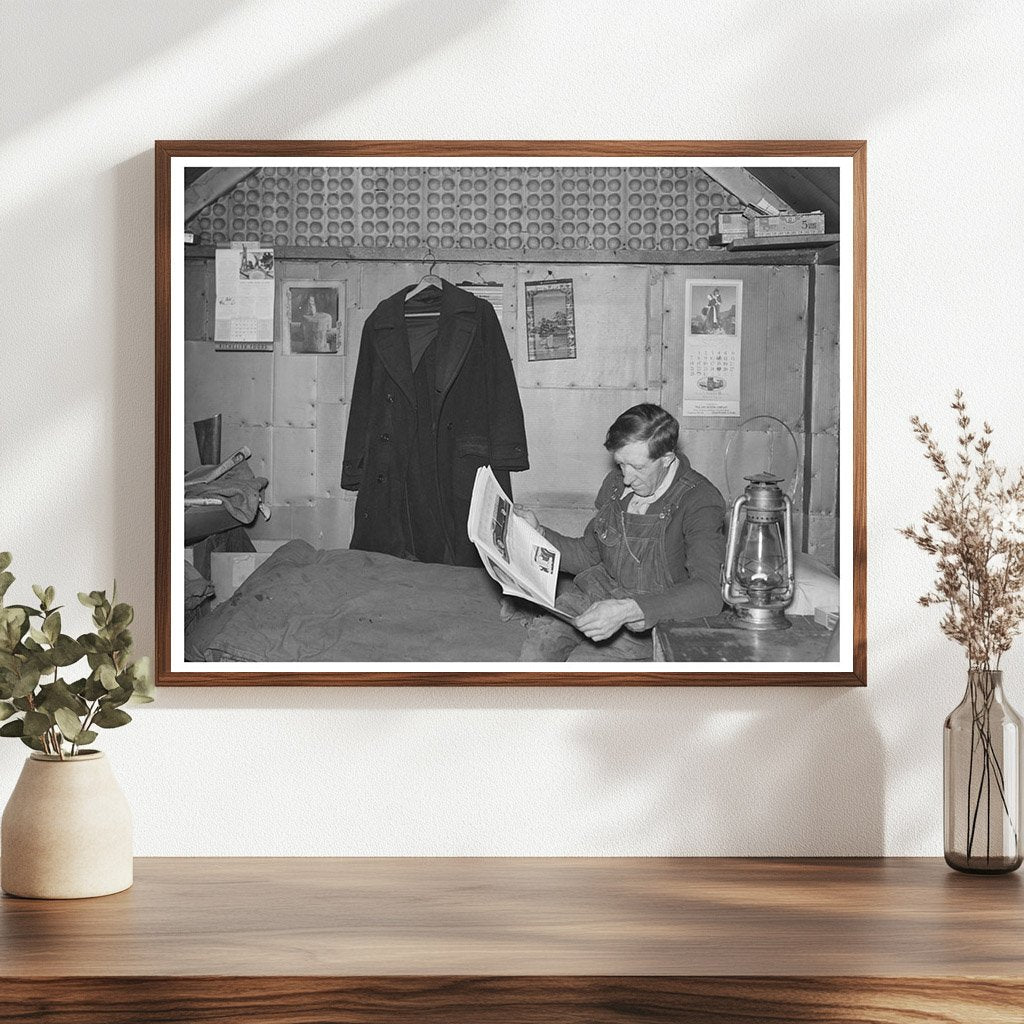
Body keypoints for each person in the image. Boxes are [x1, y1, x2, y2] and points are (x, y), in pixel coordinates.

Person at [516, 403, 726, 661]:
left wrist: (629, 610)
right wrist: (538, 533)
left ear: (667, 459)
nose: (626, 478)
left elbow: (710, 592)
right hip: (602, 593)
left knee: (589, 670)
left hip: (655, 614)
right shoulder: (617, 485)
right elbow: (588, 554)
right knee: (537, 648)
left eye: (637, 467)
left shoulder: (699, 500)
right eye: (621, 464)